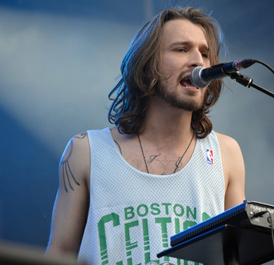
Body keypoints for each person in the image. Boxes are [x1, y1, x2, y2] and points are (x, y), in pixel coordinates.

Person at [46, 6, 246, 265]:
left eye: (205, 53)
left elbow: (236, 256)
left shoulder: (226, 153)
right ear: (148, 64)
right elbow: (60, 253)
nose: (198, 61)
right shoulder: (86, 150)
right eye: (182, 49)